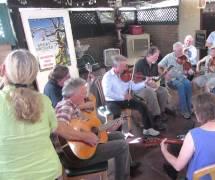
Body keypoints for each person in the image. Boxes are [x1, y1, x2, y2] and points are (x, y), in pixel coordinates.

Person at [0, 49, 61, 179]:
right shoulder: (43, 100)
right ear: (33, 75)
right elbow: (54, 128)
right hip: (50, 172)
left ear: (2, 69)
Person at [54, 78, 130, 180]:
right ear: (73, 94)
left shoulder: (73, 105)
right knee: (123, 145)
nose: (86, 96)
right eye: (83, 92)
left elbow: (87, 128)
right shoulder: (65, 107)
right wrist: (86, 137)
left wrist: (107, 127)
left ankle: (127, 167)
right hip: (77, 157)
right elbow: (59, 129)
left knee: (119, 135)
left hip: (81, 149)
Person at [102, 54, 160, 136]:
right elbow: (107, 93)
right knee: (117, 113)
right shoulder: (108, 77)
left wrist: (145, 82)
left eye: (125, 65)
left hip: (125, 100)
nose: (125, 68)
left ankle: (148, 128)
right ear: (115, 66)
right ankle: (117, 135)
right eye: (123, 66)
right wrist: (123, 97)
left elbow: (134, 86)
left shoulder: (125, 75)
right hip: (112, 101)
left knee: (142, 106)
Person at [134, 46, 169, 128]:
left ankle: (161, 112)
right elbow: (136, 79)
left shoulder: (154, 64)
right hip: (139, 88)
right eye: (155, 56)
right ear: (149, 55)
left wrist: (158, 80)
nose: (157, 58)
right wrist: (147, 82)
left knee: (163, 91)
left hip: (150, 86)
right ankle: (156, 117)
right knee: (151, 93)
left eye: (157, 56)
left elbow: (155, 77)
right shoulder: (140, 63)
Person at [158, 42, 193, 119]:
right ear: (174, 50)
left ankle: (189, 108)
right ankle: (184, 111)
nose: (181, 52)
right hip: (171, 79)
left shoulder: (185, 57)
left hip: (181, 77)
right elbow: (159, 66)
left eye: (182, 50)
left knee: (188, 84)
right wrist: (165, 75)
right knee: (181, 86)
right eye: (179, 51)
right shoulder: (168, 57)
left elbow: (188, 67)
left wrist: (190, 70)